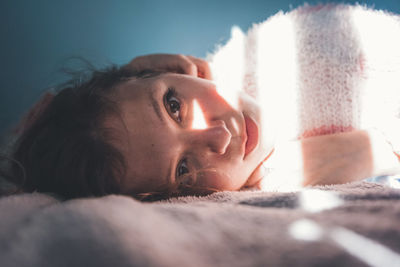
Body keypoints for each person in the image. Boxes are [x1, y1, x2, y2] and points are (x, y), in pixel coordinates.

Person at [4, 4, 400, 200]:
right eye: (185, 169)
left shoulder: (268, 56)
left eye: (173, 105)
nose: (220, 136)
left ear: (167, 66)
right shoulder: (271, 179)